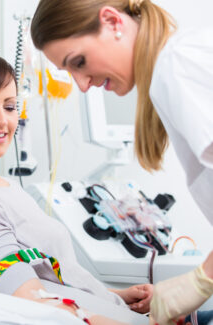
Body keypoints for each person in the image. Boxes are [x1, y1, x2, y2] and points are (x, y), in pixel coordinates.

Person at [0, 51, 153, 324]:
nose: (2, 121)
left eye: (9, 107)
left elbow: (45, 278)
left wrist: (113, 295)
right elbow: (36, 306)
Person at [30, 0, 213, 324]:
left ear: (113, 22)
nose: (83, 84)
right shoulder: (171, 68)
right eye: (69, 72)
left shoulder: (177, 65)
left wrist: (199, 280)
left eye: (79, 62)